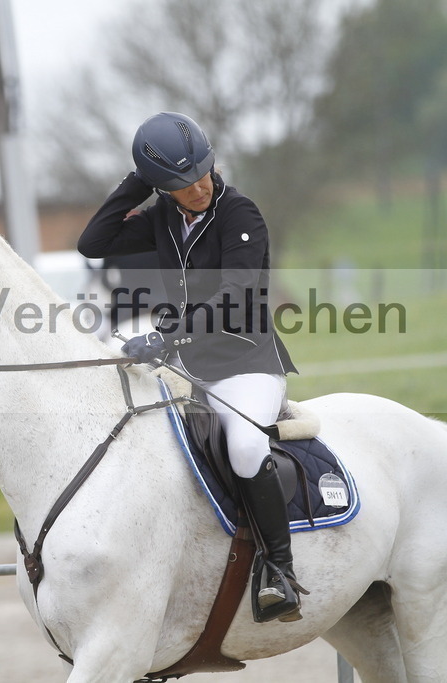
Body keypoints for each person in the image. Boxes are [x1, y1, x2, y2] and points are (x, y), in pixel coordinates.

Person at [77, 112, 301, 622]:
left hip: (246, 364)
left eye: (202, 172)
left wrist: (167, 335)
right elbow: (93, 244)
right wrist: (139, 181)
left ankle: (279, 570)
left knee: (245, 446)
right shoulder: (161, 217)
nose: (199, 187)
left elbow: (235, 295)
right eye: (181, 182)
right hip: (186, 364)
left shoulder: (241, 214)